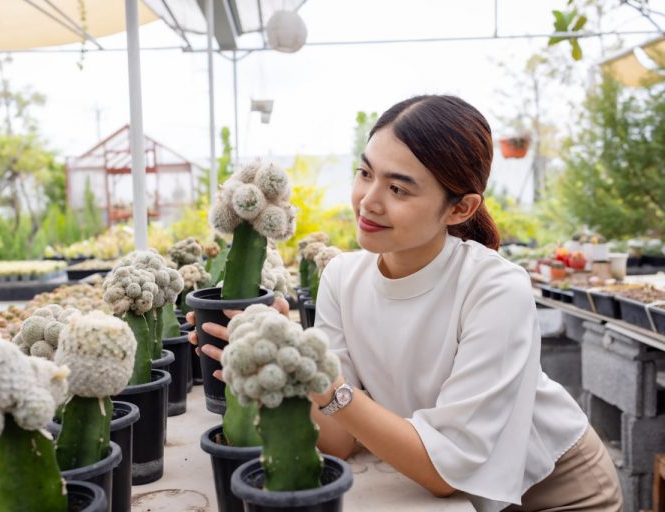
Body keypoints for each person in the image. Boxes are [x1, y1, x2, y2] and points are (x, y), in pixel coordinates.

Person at [187, 95, 622, 512]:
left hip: (554, 491)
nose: (369, 200)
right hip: (451, 493)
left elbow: (444, 469)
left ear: (460, 208)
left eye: (398, 188)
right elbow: (339, 438)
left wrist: (322, 380)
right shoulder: (341, 277)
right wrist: (279, 365)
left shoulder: (496, 287)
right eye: (365, 173)